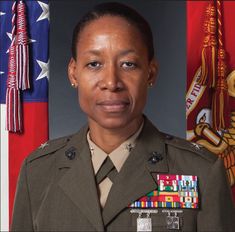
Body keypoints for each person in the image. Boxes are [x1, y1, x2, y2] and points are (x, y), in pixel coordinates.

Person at [11, 2, 235, 231]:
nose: (111, 82)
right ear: (73, 73)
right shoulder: (38, 172)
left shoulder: (201, 172)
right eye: (94, 64)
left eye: (128, 64)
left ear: (151, 73)